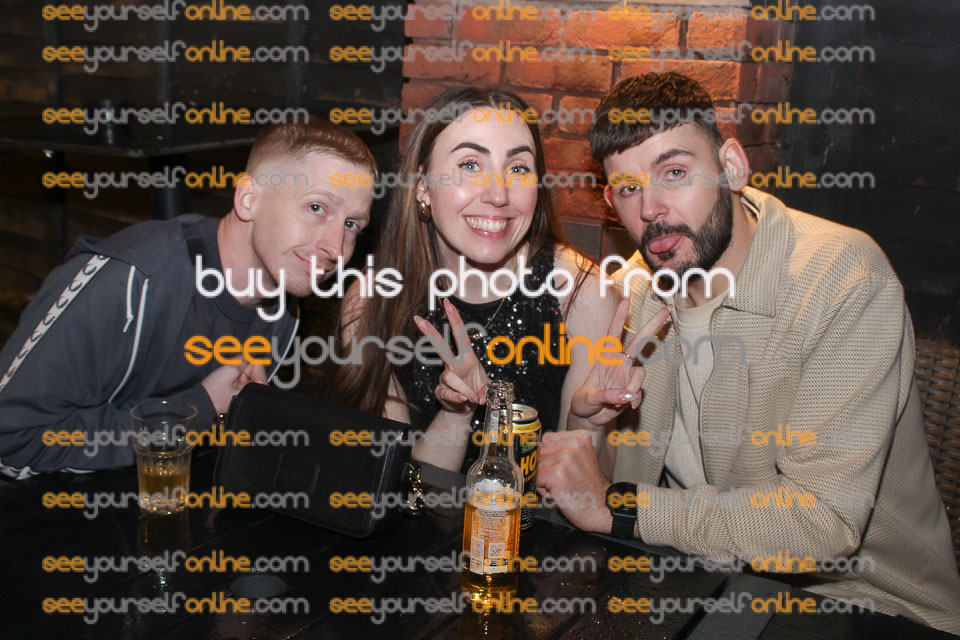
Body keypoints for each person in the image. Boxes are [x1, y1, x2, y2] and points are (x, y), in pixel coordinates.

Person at [536, 72, 960, 633]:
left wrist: (623, 508)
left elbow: (822, 524)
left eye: (674, 172)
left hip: (864, 603)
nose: (652, 208)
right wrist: (590, 428)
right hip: (702, 579)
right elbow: (605, 485)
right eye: (629, 189)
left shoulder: (843, 280)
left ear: (732, 167)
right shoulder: (637, 289)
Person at [0, 118, 376, 477]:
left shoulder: (284, 310)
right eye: (316, 208)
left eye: (351, 225)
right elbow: (11, 436)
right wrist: (197, 409)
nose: (335, 248)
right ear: (248, 199)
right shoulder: (133, 279)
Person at [331, 86, 662, 473]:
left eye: (518, 168)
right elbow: (391, 486)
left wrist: (586, 425)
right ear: (422, 185)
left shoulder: (580, 293)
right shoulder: (372, 301)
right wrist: (456, 415)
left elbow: (587, 491)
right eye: (470, 165)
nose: (499, 194)